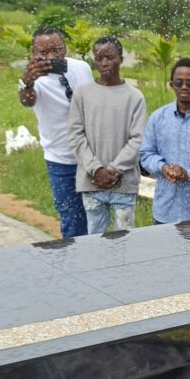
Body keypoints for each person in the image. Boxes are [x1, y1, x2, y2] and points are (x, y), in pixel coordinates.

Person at [18, 26, 93, 238]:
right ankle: (73, 256)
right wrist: (27, 83)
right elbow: (27, 100)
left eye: (56, 50)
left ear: (65, 48)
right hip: (60, 160)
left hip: (91, 157)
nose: (50, 57)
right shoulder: (32, 81)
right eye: (43, 52)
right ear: (33, 54)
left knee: (95, 215)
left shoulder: (82, 68)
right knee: (71, 218)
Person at [68, 36, 146, 234]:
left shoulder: (134, 97)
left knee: (124, 239)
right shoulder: (81, 94)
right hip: (91, 182)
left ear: (121, 59)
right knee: (95, 239)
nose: (104, 63)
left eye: (110, 57)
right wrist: (96, 169)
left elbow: (138, 139)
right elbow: (76, 135)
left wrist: (114, 170)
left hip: (124, 184)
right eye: (99, 58)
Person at [139, 58, 190, 225]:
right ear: (171, 85)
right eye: (178, 83)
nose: (183, 87)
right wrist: (163, 167)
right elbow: (146, 154)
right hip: (165, 211)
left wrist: (189, 174)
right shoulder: (158, 118)